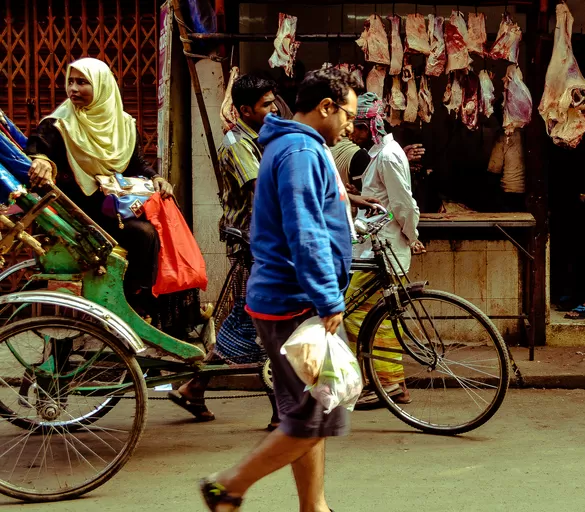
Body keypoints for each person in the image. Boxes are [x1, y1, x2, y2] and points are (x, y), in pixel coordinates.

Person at [199, 66, 358, 512]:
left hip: (293, 299)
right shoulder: (300, 153)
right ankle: (227, 486)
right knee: (313, 417)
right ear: (326, 107)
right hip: (296, 303)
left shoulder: (296, 146)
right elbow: (303, 230)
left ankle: (315, 506)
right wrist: (328, 297)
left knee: (309, 412)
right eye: (348, 113)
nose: (350, 124)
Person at [168, 74, 280, 427]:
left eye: (273, 102)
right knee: (264, 320)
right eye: (266, 105)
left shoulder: (260, 138)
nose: (273, 109)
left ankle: (195, 388)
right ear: (246, 110)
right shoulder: (236, 144)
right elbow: (265, 188)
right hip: (252, 244)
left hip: (263, 243)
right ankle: (282, 412)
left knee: (251, 319)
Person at [25, 58, 175, 312]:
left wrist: (156, 178)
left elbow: (135, 163)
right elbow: (39, 148)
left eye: (82, 82)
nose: (73, 88)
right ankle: (130, 303)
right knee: (144, 234)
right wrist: (41, 160)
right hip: (79, 214)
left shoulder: (125, 125)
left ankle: (166, 306)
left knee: (167, 225)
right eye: (70, 81)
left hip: (113, 207)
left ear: (102, 86)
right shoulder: (58, 124)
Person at [342, 92, 424, 408]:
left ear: (369, 124)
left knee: (351, 313)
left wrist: (410, 234)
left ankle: (385, 384)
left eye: (356, 127)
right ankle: (388, 384)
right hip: (372, 246)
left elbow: (403, 204)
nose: (352, 133)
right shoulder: (379, 152)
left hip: (384, 248)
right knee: (375, 317)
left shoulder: (388, 156)